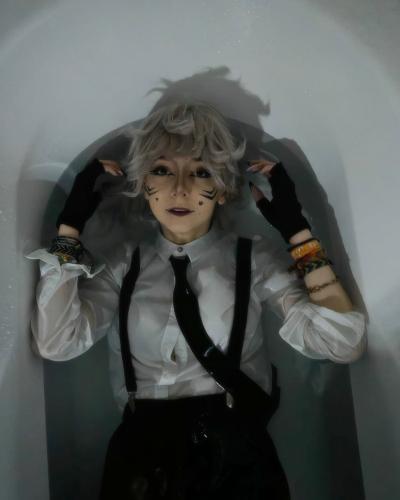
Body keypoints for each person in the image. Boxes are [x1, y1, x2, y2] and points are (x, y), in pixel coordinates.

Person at [25, 100, 367, 499]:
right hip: (141, 455)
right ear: (143, 184)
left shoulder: (253, 258)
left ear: (222, 190)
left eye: (201, 172)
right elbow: (56, 343)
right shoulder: (122, 263)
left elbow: (342, 344)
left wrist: (298, 233)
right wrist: (69, 228)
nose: (180, 188)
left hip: (236, 455)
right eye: (162, 170)